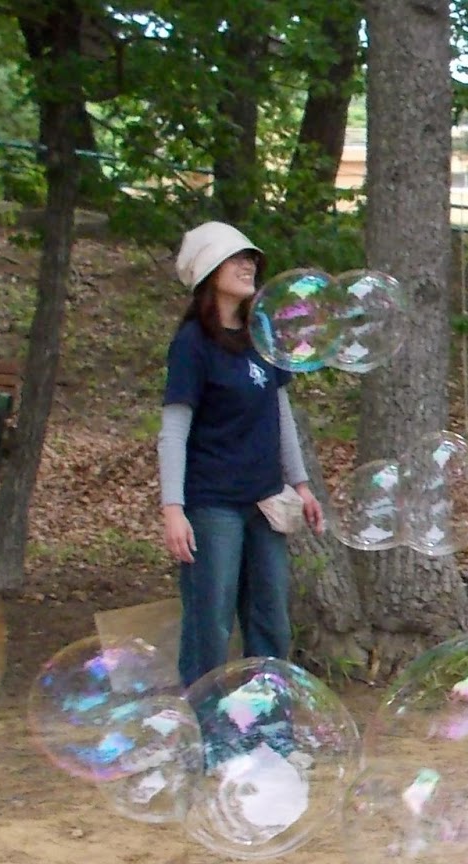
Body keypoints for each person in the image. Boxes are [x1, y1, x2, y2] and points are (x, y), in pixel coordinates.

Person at [159, 221, 324, 688]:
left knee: (271, 621)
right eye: (237, 257)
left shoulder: (262, 335)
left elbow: (281, 414)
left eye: (252, 256)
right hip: (212, 506)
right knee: (210, 624)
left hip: (266, 502)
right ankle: (209, 733)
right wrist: (173, 510)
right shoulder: (192, 343)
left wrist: (303, 485)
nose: (249, 264)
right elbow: (173, 431)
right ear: (209, 270)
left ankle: (270, 731)